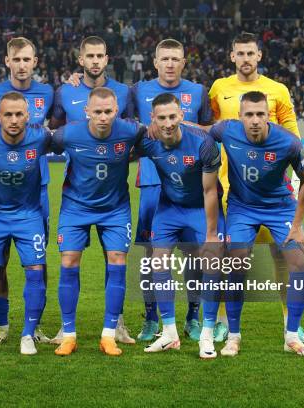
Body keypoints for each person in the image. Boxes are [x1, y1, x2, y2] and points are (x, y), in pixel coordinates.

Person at [208, 32, 304, 343]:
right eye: (240, 53)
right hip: (229, 186)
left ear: (259, 56)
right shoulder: (219, 89)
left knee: (284, 255)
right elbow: (210, 130)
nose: (246, 58)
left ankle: (289, 322)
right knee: (231, 256)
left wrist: (292, 181)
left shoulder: (277, 90)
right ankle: (225, 321)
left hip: (272, 187)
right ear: (232, 56)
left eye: (251, 53)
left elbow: (293, 138)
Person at [49, 35, 135, 345]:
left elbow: (137, 135)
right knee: (69, 260)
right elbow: (52, 132)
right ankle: (66, 329)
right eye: (90, 55)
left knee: (116, 258)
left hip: (114, 197)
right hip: (77, 194)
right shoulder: (66, 91)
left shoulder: (125, 93)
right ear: (80, 59)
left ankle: (117, 325)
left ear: (107, 58)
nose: (96, 60)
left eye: (101, 55)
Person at [129, 38, 214, 342]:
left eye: (175, 59)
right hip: (153, 181)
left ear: (183, 62)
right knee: (152, 256)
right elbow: (127, 126)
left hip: (188, 183)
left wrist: (185, 126)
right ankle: (152, 318)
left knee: (195, 254)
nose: (169, 64)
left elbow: (209, 132)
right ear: (155, 62)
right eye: (164, 58)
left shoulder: (197, 92)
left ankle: (192, 315)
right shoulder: (137, 91)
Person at [134, 93, 223, 356]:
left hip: (199, 207)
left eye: (173, 116)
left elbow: (209, 192)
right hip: (168, 208)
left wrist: (210, 233)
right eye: (162, 118)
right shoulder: (148, 142)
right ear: (153, 119)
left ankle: (206, 333)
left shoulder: (203, 144)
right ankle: (169, 332)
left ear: (181, 115)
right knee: (157, 262)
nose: (168, 123)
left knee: (211, 262)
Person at [0, 37, 54, 345]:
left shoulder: (50, 92)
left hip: (38, 187)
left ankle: (33, 326)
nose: (22, 65)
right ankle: (1, 323)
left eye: (27, 59)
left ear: (35, 62)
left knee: (37, 258)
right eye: (17, 59)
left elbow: (61, 127)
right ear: (7, 61)